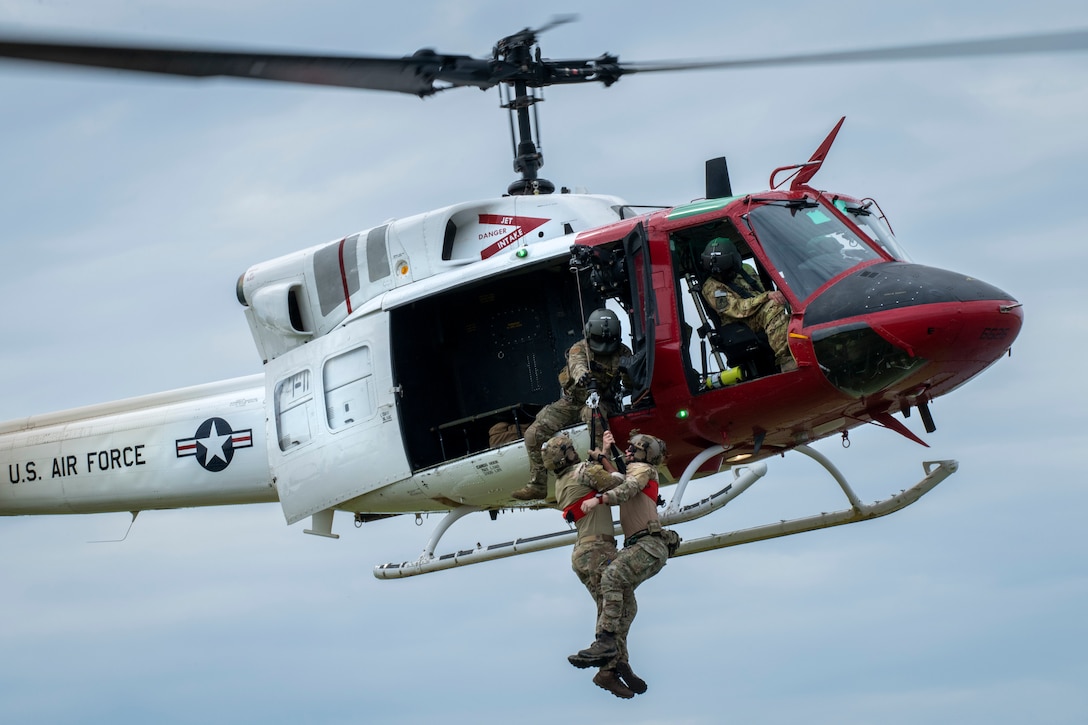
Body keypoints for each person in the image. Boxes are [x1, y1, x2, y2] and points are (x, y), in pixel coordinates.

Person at [567, 430, 678, 694]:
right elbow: (618, 477)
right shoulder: (637, 469)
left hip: (648, 544)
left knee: (612, 577)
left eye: (631, 449)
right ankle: (614, 665)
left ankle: (605, 642)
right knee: (625, 601)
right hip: (642, 546)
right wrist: (604, 452)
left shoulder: (642, 470)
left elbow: (626, 488)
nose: (627, 453)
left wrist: (599, 499)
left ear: (642, 454)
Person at [545, 433, 640, 699]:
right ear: (566, 455)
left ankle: (618, 663)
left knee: (615, 606)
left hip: (585, 551)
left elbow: (597, 484)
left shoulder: (562, 482)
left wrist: (605, 452)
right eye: (569, 448)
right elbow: (617, 483)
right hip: (598, 549)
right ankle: (609, 669)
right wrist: (602, 459)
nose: (574, 450)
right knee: (620, 606)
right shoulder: (583, 471)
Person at [511, 308, 632, 501]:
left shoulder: (623, 353)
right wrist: (583, 376)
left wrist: (628, 371)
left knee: (595, 417)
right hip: (571, 402)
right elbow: (577, 364)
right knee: (533, 434)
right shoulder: (579, 348)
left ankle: (603, 473)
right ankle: (538, 484)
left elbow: (630, 384)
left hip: (598, 402)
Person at [700, 237, 796, 372]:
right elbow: (736, 309)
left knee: (791, 302)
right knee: (774, 308)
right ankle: (787, 361)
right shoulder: (711, 287)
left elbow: (760, 292)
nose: (720, 275)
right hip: (740, 322)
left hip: (758, 309)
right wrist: (767, 297)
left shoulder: (746, 269)